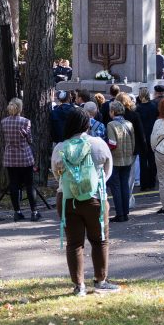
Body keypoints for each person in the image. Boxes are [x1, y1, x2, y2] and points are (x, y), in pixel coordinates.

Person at [52, 107, 118, 297]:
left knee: (74, 244)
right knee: (99, 240)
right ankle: (100, 280)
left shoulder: (60, 148)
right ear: (87, 124)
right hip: (95, 197)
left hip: (67, 199)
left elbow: (56, 174)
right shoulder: (97, 143)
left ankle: (78, 285)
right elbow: (108, 170)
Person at [0, 98, 39, 222]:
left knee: (14, 184)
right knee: (29, 184)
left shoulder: (4, 122)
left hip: (10, 157)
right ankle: (34, 212)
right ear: (20, 108)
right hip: (24, 157)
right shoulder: (25, 122)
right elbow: (30, 139)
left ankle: (17, 212)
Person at [105, 101, 135, 222]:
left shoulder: (111, 125)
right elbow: (133, 142)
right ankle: (126, 212)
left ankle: (120, 213)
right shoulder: (129, 124)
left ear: (113, 111)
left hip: (115, 159)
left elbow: (112, 143)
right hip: (127, 158)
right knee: (124, 185)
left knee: (116, 187)